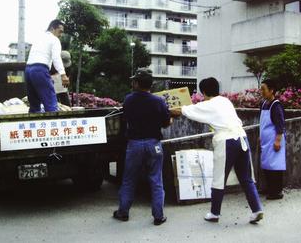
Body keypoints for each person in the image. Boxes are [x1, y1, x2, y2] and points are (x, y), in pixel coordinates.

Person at [170, 77, 263, 224]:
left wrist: (163, 108)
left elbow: (183, 110)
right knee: (246, 178)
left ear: (204, 92)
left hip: (227, 141)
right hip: (242, 138)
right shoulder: (225, 101)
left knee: (219, 178)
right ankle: (257, 209)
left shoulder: (209, 104)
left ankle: (214, 213)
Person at [113, 68, 171, 226]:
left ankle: (123, 212)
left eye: (134, 81)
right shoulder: (158, 101)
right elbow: (166, 123)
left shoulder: (129, 100)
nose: (132, 83)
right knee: (156, 179)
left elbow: (125, 119)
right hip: (154, 144)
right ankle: (158, 216)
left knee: (129, 179)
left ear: (137, 83)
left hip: (135, 144)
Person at [25, 19, 69, 113]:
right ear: (53, 28)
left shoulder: (39, 38)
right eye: (60, 31)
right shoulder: (54, 39)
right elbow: (56, 58)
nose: (60, 35)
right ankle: (54, 124)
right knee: (51, 103)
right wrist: (63, 74)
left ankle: (34, 123)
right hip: (40, 70)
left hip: (28, 70)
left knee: (34, 104)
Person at [259, 79, 286, 200]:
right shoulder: (264, 104)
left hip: (274, 140)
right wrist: (260, 136)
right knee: (267, 165)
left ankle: (277, 192)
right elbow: (263, 123)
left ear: (271, 90)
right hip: (266, 141)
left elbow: (280, 124)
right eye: (261, 89)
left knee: (275, 167)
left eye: (263, 89)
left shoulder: (276, 105)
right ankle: (269, 188)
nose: (261, 91)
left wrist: (278, 141)